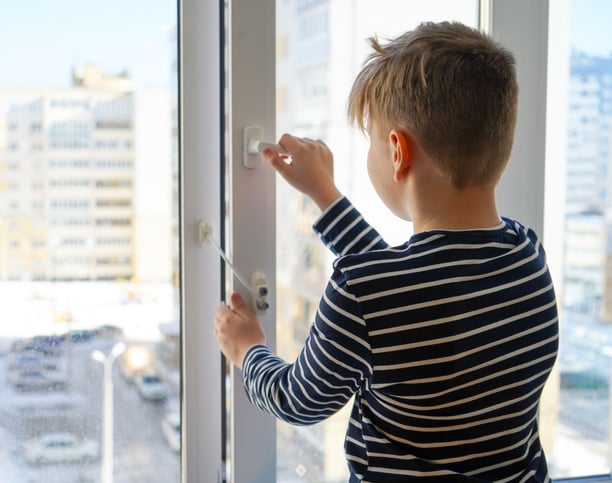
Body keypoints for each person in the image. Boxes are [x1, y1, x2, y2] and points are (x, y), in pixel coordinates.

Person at [213, 21, 559, 482]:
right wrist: (327, 197)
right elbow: (410, 289)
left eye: (371, 139)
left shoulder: (365, 291)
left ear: (397, 151)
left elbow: (298, 399)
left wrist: (247, 349)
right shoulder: (527, 257)